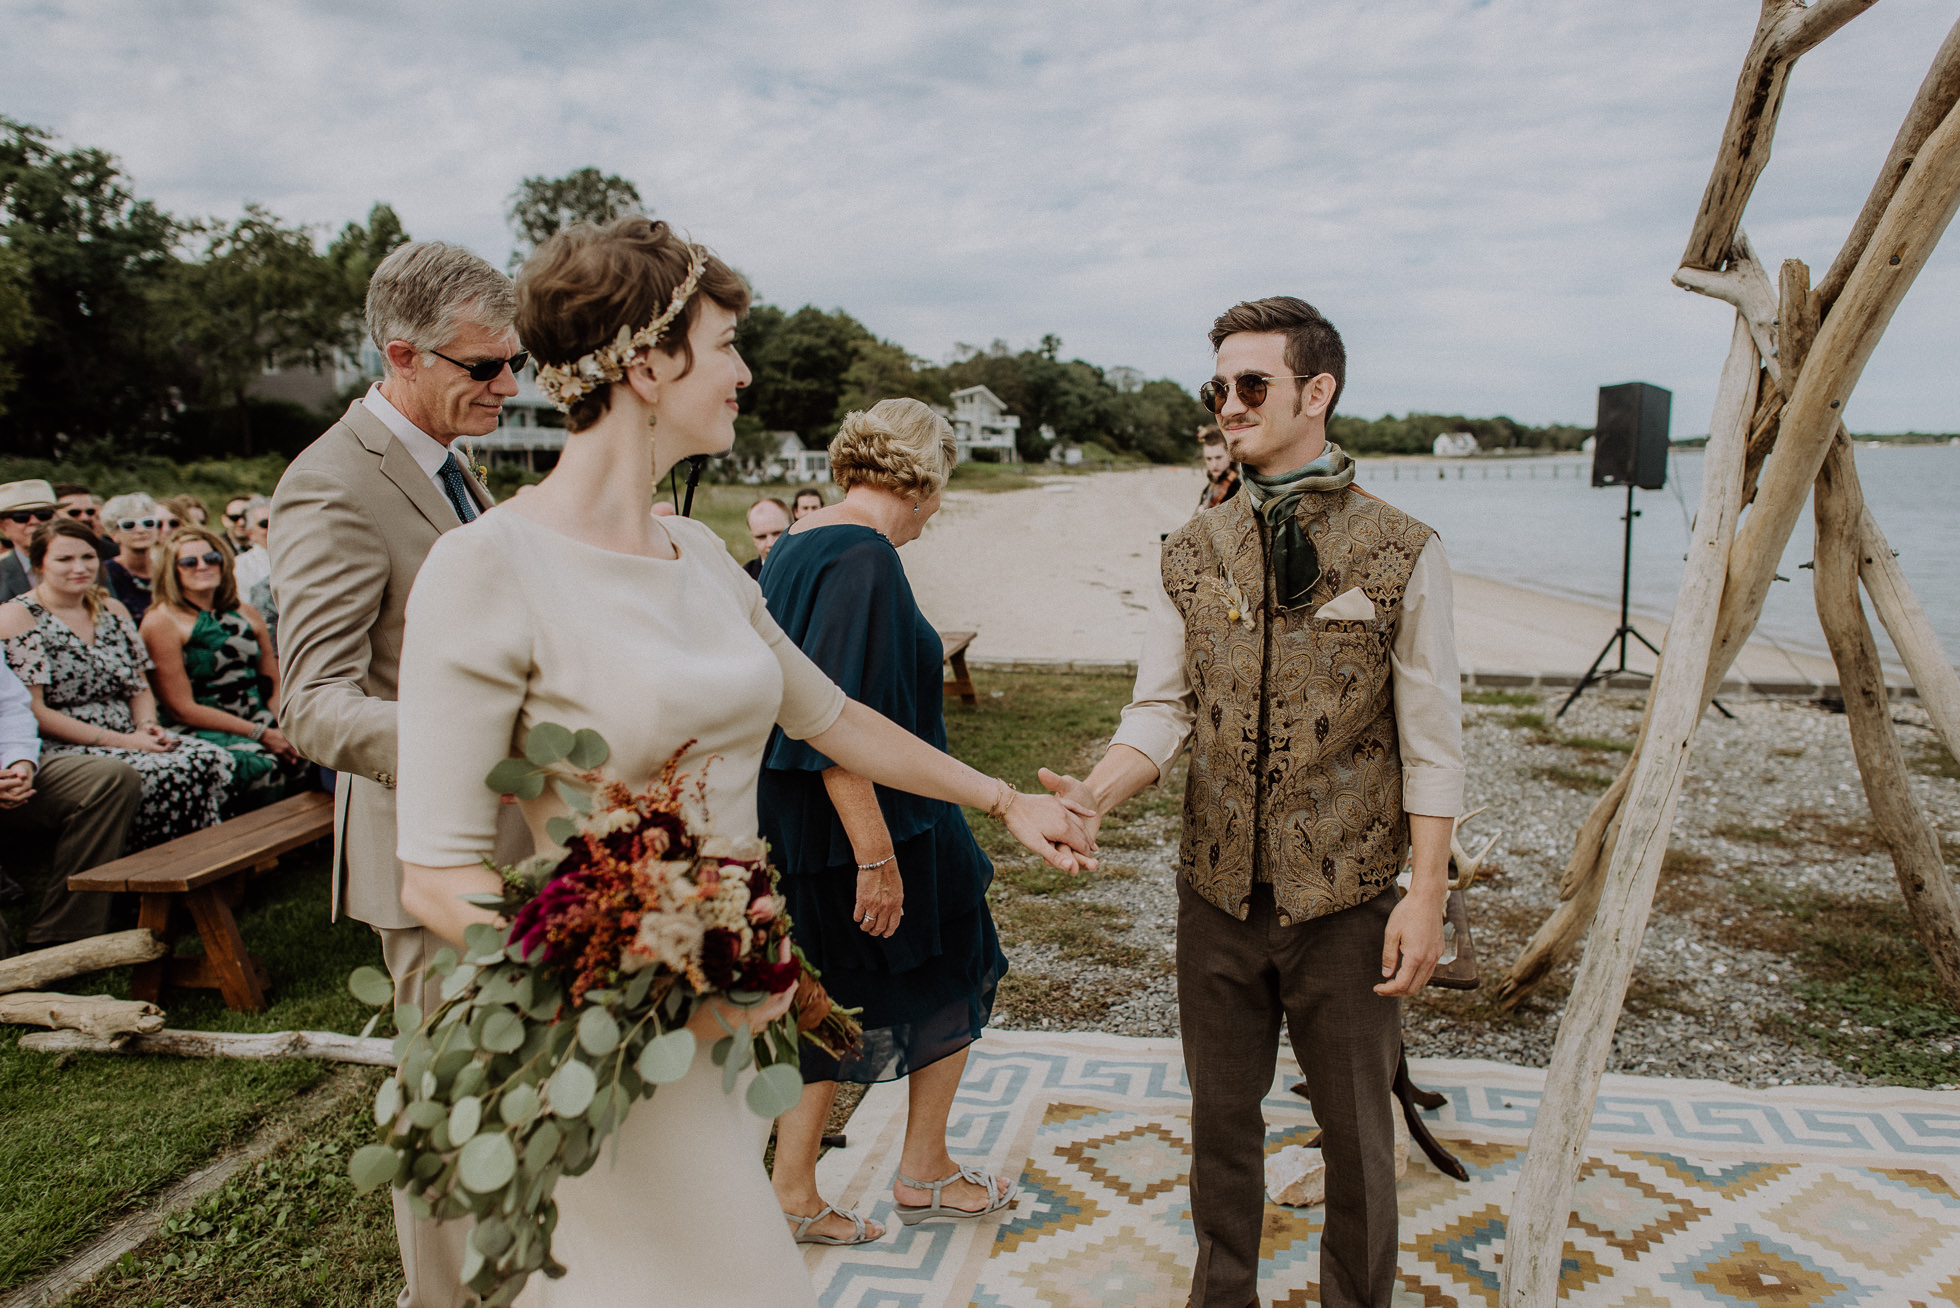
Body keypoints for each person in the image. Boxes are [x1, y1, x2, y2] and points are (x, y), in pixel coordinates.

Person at [391, 216, 1094, 1308]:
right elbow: (435, 876)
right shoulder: (485, 568)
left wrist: (1001, 800)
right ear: (643, 365)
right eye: (723, 346)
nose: (744, 372)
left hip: (721, 1041)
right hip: (611, 1040)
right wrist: (653, 973)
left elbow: (833, 716)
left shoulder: (704, 556)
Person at [1040, 297, 1463, 1308]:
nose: (1228, 404)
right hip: (1214, 897)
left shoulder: (1406, 549)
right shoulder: (1189, 550)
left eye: (1250, 385)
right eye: (1217, 388)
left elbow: (1435, 742)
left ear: (1316, 393)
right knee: (1220, 1125)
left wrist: (1425, 894)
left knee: (1357, 1138)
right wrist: (1096, 793)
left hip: (1348, 900)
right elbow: (1160, 708)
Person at [270, 238, 521, 1308]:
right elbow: (314, 703)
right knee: (451, 1109)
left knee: (513, 1099)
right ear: (403, 353)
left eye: (514, 362)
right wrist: (498, 743)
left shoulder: (450, 458)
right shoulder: (331, 483)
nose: (509, 385)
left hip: (515, 835)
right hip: (427, 852)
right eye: (485, 368)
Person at [760, 399, 1015, 1248]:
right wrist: (875, 854)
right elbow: (837, 721)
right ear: (924, 479)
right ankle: (923, 1171)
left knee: (824, 1000)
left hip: (805, 825)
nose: (935, 513)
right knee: (959, 966)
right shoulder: (863, 557)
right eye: (940, 491)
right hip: (874, 825)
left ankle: (796, 1190)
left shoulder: (795, 543)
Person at [0, 520, 235, 852]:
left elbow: (138, 685)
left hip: (130, 730)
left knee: (210, 758)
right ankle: (144, 874)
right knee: (157, 772)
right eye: (64, 560)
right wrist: (127, 742)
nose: (80, 568)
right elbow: (33, 710)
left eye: (88, 557)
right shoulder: (18, 616)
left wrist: (148, 725)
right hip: (67, 742)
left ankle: (205, 866)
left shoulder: (111, 608)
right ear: (39, 564)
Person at [141, 526, 307, 812]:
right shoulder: (162, 621)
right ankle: (259, 852)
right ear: (173, 571)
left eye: (212, 558)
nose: (203, 566)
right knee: (260, 764)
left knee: (307, 748)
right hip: (201, 724)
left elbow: (273, 679)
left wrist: (282, 724)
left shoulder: (245, 612)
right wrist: (262, 734)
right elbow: (180, 707)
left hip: (257, 713)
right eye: (189, 562)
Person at [0, 654, 143, 958]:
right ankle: (6, 967)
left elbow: (10, 707)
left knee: (110, 779)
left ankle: (64, 938)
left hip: (7, 769)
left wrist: (19, 763)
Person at [99, 492, 164, 623]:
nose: (141, 530)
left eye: (148, 523)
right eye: (129, 525)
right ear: (114, 534)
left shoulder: (168, 569)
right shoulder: (103, 574)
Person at [3, 480, 62, 603]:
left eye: (43, 514)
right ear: (3, 527)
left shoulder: (88, 565)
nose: (34, 522)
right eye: (21, 517)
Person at [53, 482, 118, 560]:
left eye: (90, 512)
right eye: (74, 513)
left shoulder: (113, 553)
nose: (85, 518)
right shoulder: (40, 550)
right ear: (53, 515)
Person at [231, 496, 273, 600]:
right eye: (265, 524)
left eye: (278, 521)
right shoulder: (240, 566)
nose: (273, 527)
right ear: (250, 533)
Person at [1195, 424, 1242, 513]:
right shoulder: (1211, 486)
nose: (1214, 464)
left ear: (1230, 455)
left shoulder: (1237, 488)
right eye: (1209, 458)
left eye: (1218, 457)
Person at [743, 496, 791, 579]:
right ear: (753, 538)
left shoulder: (813, 570)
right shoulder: (745, 578)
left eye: (777, 533)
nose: (770, 543)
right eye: (761, 537)